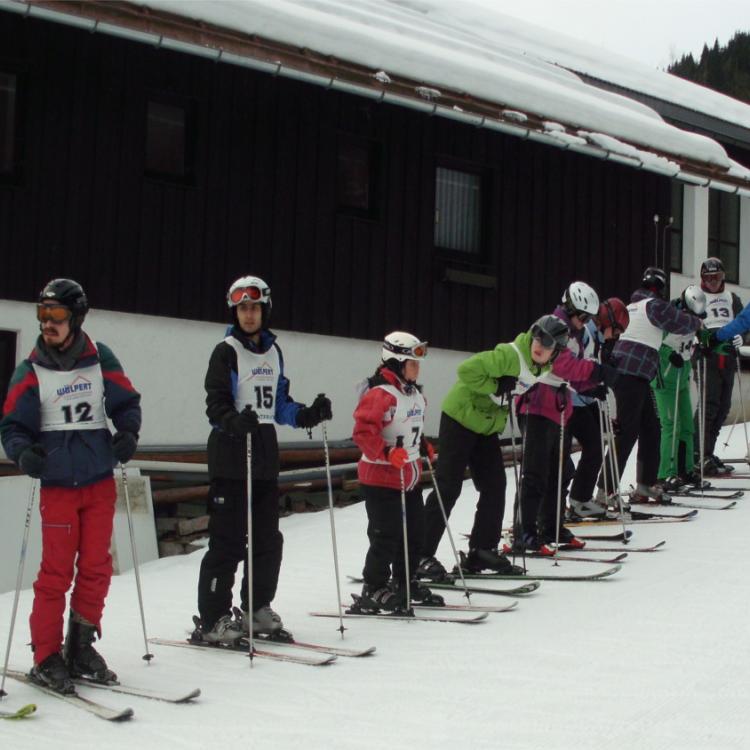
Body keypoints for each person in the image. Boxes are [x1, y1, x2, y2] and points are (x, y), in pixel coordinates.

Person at [0, 279, 141, 694]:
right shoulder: (31, 370)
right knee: (56, 574)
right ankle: (46, 656)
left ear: (76, 318)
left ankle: (80, 645)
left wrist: (128, 434)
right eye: (42, 316)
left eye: (56, 316)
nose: (48, 324)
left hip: (98, 479)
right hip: (58, 484)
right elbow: (13, 425)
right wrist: (24, 453)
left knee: (97, 568)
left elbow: (125, 402)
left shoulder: (101, 358)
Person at [194, 275, 332, 643]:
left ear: (265, 310)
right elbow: (215, 403)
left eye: (254, 307)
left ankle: (256, 607)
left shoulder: (274, 352)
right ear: (234, 312)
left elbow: (279, 403)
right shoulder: (226, 351)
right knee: (228, 541)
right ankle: (214, 617)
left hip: (264, 453)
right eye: (242, 308)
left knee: (268, 539)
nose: (249, 315)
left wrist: (307, 414)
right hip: (231, 452)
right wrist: (233, 422)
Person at [350, 332, 443, 611]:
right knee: (386, 534)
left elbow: (408, 427)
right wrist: (388, 452)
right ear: (395, 362)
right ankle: (374, 586)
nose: (417, 369)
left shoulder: (414, 394)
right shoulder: (380, 394)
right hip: (382, 478)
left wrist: (423, 444)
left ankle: (405, 580)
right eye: (412, 363)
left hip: (409, 476)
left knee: (415, 533)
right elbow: (363, 432)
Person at [513, 312, 617, 552]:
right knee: (535, 473)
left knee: (560, 472)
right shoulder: (552, 329)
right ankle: (524, 530)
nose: (586, 322)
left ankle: (551, 526)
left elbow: (570, 377)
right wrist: (597, 371)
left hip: (557, 411)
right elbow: (565, 366)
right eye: (583, 317)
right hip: (536, 408)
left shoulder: (574, 335)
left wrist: (593, 387)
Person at [597, 267, 701, 505]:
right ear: (661, 288)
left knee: (651, 429)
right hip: (631, 375)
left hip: (635, 375)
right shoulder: (654, 305)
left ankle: (645, 483)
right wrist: (697, 321)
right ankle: (606, 491)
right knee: (626, 433)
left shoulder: (633, 305)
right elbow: (679, 322)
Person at [567, 296, 629, 520]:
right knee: (581, 451)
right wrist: (590, 387)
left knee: (596, 445)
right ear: (606, 321)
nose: (618, 335)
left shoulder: (598, 338)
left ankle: (580, 499)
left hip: (585, 399)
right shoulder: (585, 333)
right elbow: (573, 368)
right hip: (571, 400)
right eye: (617, 329)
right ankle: (571, 502)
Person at [652, 286, 706, 492]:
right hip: (665, 376)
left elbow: (703, 336)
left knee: (687, 425)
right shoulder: (668, 316)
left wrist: (709, 346)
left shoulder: (693, 318)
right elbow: (654, 341)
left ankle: (686, 469)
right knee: (670, 425)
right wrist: (667, 353)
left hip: (682, 373)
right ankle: (665, 473)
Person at [696, 257, 743, 475]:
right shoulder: (695, 296)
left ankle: (708, 451)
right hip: (707, 354)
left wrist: (742, 338)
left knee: (723, 407)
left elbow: (744, 322)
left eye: (717, 277)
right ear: (702, 279)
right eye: (709, 278)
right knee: (709, 404)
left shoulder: (731, 297)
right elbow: (686, 322)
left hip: (728, 354)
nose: (713, 282)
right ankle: (697, 455)